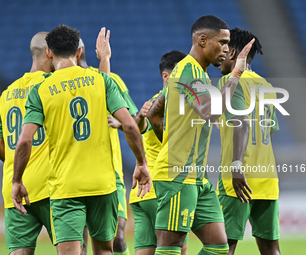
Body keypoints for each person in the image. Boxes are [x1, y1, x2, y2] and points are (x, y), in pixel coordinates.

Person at [12, 24, 151, 255]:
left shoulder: (40, 90)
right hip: (102, 185)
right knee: (105, 251)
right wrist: (141, 163)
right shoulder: (101, 80)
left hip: (65, 187)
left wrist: (17, 180)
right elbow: (129, 124)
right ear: (78, 52)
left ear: (49, 53)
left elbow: (25, 140)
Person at [147, 15, 254, 255]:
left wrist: (171, 138)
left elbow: (154, 114)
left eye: (228, 44)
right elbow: (210, 113)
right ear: (203, 40)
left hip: (197, 176)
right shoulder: (188, 71)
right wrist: (235, 74)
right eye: (223, 42)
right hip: (178, 176)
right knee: (170, 247)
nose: (226, 50)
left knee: (218, 247)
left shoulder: (196, 74)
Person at [217, 28, 280, 255]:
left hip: (237, 179)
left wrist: (236, 164)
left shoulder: (231, 81)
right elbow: (269, 133)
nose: (221, 54)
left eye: (224, 48)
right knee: (271, 249)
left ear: (233, 52)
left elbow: (241, 122)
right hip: (267, 177)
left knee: (224, 248)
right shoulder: (268, 87)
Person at [77, 35, 142, 255]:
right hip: (74, 172)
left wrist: (123, 123)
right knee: (81, 244)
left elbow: (134, 121)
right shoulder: (60, 85)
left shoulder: (112, 80)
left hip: (110, 172)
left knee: (118, 239)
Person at [0, 32, 54, 255]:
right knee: (74, 249)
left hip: (15, 188)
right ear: (50, 53)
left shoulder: (6, 94)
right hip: (51, 186)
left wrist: (19, 165)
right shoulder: (52, 86)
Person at [129, 50, 190, 255]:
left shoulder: (150, 105)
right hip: (164, 191)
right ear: (166, 77)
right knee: (177, 250)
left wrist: (138, 117)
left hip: (141, 195)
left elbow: (137, 130)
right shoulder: (175, 105)